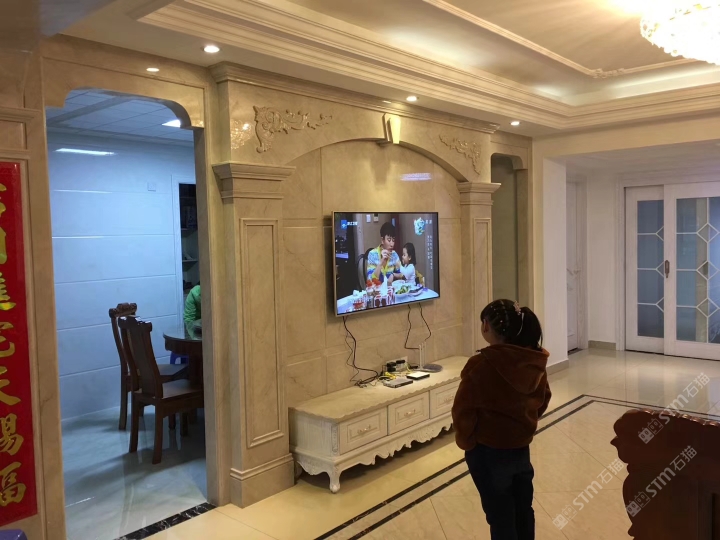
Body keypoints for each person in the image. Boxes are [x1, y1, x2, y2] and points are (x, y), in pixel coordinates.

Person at [452, 300, 551, 540]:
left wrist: (467, 442)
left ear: (486, 326)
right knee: (523, 509)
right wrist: (524, 425)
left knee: (500, 516)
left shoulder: (481, 364)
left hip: (488, 451)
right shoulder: (532, 360)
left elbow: (463, 410)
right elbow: (544, 398)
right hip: (520, 448)